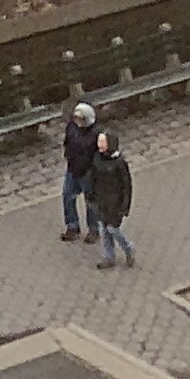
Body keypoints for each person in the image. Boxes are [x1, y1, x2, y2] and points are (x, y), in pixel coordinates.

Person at [89, 132, 137, 269]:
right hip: (102, 200)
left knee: (113, 228)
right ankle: (109, 257)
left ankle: (128, 247)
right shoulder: (97, 158)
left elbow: (126, 186)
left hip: (115, 203)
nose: (99, 145)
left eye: (102, 142)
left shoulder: (119, 163)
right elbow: (93, 177)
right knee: (104, 229)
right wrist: (91, 194)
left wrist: (125, 206)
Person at [59, 100, 101, 242]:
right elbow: (67, 142)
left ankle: (93, 230)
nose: (77, 121)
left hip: (88, 171)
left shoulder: (95, 133)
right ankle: (72, 226)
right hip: (72, 168)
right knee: (67, 196)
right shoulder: (72, 127)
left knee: (91, 201)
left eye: (80, 118)